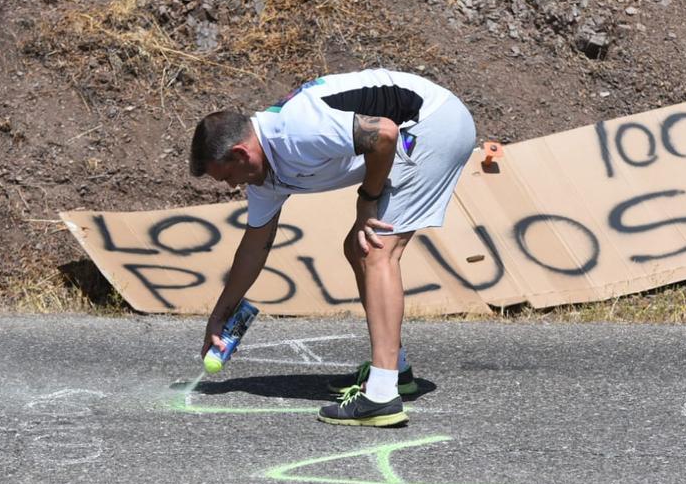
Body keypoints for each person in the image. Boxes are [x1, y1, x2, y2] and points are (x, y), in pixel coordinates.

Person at [192, 69, 476, 427]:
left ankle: (383, 394)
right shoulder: (263, 172)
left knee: (374, 249)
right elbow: (255, 246)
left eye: (228, 177)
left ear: (240, 153)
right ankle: (397, 372)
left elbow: (384, 134)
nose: (233, 186)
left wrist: (368, 200)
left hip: (432, 123)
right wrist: (220, 313)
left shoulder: (296, 130)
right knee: (359, 248)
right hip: (415, 129)